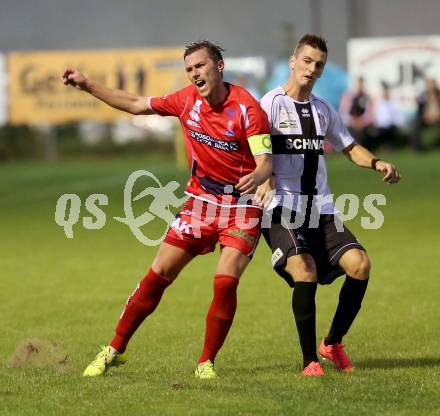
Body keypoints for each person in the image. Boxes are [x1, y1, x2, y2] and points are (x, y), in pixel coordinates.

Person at [62, 40, 272, 379]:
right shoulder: (184, 100)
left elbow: (265, 163)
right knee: (157, 276)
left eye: (200, 66)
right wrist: (87, 85)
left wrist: (260, 175)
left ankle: (206, 362)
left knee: (224, 281)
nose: (194, 74)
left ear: (219, 67)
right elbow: (133, 104)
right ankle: (114, 349)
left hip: (241, 207)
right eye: (189, 69)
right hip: (200, 204)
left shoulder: (248, 107)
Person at [256, 34, 400, 376]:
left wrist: (376, 162)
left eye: (318, 64)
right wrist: (265, 175)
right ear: (293, 61)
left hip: (320, 209)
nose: (312, 68)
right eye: (306, 61)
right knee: (304, 271)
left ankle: (332, 343)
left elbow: (349, 146)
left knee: (360, 265)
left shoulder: (323, 110)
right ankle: (309, 362)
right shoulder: (270, 104)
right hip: (280, 208)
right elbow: (256, 147)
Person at [339, 76, 374, 147]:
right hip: (351, 122)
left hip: (361, 122)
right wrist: (353, 120)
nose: (360, 85)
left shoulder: (366, 96)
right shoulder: (348, 95)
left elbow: (369, 112)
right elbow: (345, 111)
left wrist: (363, 121)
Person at [411, 78, 440, 151]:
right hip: (425, 118)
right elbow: (420, 110)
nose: (431, 86)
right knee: (416, 125)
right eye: (429, 84)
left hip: (438, 118)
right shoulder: (423, 96)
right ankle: (417, 148)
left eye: (433, 84)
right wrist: (425, 116)